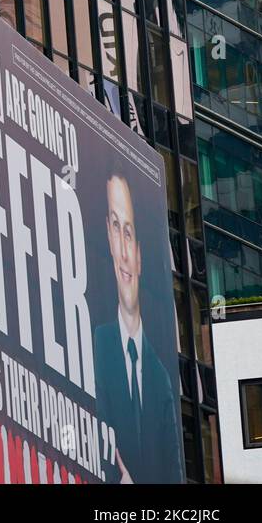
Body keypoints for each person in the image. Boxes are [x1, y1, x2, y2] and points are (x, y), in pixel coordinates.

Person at [91, 169, 182, 483]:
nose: (125, 252)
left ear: (141, 255)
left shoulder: (161, 378)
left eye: (129, 231)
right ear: (108, 237)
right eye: (116, 228)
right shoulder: (94, 348)